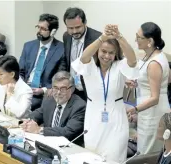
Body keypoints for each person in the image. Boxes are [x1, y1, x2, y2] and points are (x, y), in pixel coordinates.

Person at [71, 25, 139, 162]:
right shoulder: (90, 66)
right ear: (97, 51)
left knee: (114, 157)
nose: (107, 56)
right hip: (93, 118)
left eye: (111, 53)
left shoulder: (119, 66)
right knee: (92, 156)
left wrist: (119, 36)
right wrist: (102, 38)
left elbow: (132, 61)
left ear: (115, 54)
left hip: (116, 120)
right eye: (103, 51)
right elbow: (83, 57)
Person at [126, 22, 170, 155]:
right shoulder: (151, 56)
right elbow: (165, 80)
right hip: (148, 110)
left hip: (153, 112)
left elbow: (155, 98)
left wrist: (134, 110)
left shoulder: (154, 63)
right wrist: (138, 83)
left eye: (139, 37)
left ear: (149, 41)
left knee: (147, 153)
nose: (136, 40)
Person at [21, 71, 86, 146]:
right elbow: (37, 114)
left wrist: (39, 130)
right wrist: (28, 122)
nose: (58, 92)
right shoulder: (49, 100)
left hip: (69, 147)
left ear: (72, 89)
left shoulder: (80, 106)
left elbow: (68, 132)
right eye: (55, 88)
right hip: (48, 144)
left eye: (63, 89)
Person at [19, 13, 64, 111]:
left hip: (45, 94)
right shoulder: (28, 46)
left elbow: (61, 77)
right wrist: (22, 86)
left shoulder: (61, 49)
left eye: (43, 29)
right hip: (25, 89)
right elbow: (20, 71)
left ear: (53, 31)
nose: (39, 31)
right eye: (38, 27)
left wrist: (43, 90)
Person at [59, 7, 101, 101]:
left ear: (85, 22)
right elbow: (66, 59)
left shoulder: (97, 38)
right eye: (70, 28)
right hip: (71, 89)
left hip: (89, 90)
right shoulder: (66, 36)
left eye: (78, 27)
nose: (74, 31)